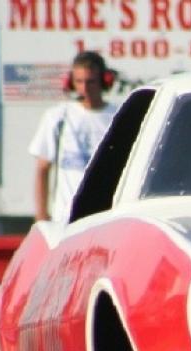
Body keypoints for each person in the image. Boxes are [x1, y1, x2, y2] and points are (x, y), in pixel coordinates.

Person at [28, 51, 118, 223]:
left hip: (106, 217)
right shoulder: (58, 116)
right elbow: (42, 168)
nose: (85, 88)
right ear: (70, 82)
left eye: (91, 82)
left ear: (105, 81)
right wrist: (41, 215)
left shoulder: (118, 116)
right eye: (79, 82)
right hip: (65, 218)